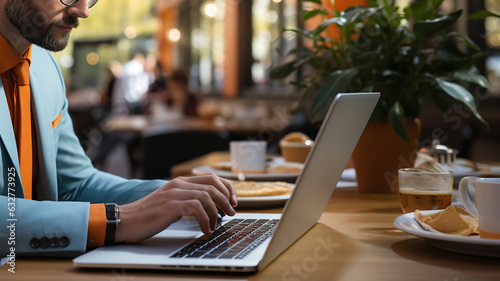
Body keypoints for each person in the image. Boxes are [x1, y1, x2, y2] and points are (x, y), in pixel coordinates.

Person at [0, 0, 237, 257]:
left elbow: (75, 185)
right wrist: (117, 220)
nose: (83, 11)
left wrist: (172, 195)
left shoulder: (44, 67)